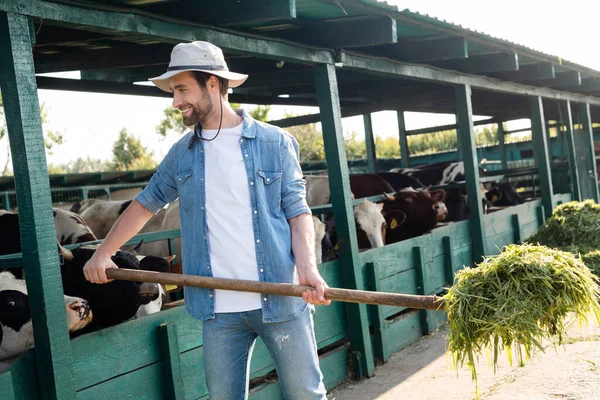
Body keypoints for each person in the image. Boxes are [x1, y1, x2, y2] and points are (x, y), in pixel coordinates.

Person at [82, 41, 330, 399]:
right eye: (173, 91)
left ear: (212, 83)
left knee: (306, 394)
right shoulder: (182, 153)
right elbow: (144, 203)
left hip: (280, 296)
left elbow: (297, 210)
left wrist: (308, 268)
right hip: (218, 311)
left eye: (182, 89)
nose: (175, 101)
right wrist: (104, 253)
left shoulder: (275, 143)